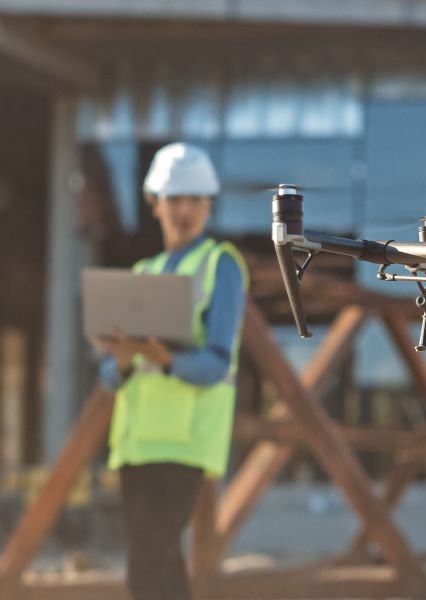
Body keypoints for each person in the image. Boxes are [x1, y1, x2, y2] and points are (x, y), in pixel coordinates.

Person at [97, 142, 247, 600]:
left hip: (185, 440)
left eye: (197, 200)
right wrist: (121, 361)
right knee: (159, 560)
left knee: (147, 557)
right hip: (136, 442)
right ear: (154, 203)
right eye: (177, 199)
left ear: (209, 205)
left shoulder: (221, 265)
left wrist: (166, 360)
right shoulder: (144, 271)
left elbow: (218, 363)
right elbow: (108, 377)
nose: (187, 210)